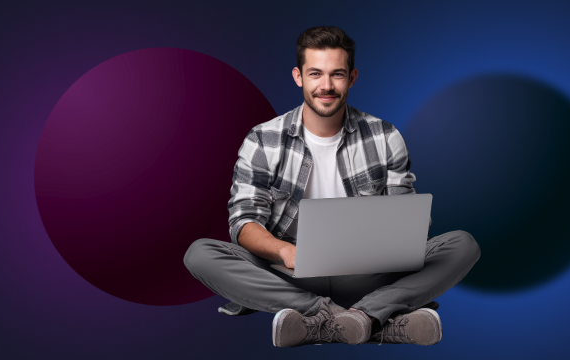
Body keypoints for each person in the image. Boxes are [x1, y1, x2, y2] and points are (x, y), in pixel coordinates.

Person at [184, 26, 480, 347]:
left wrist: (392, 243)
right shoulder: (262, 139)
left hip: (368, 273)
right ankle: (346, 317)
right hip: (289, 271)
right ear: (298, 77)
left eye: (337, 75)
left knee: (463, 245)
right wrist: (284, 250)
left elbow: (406, 218)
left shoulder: (384, 135)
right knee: (200, 253)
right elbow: (244, 222)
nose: (326, 86)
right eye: (315, 74)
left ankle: (355, 316)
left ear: (352, 78)